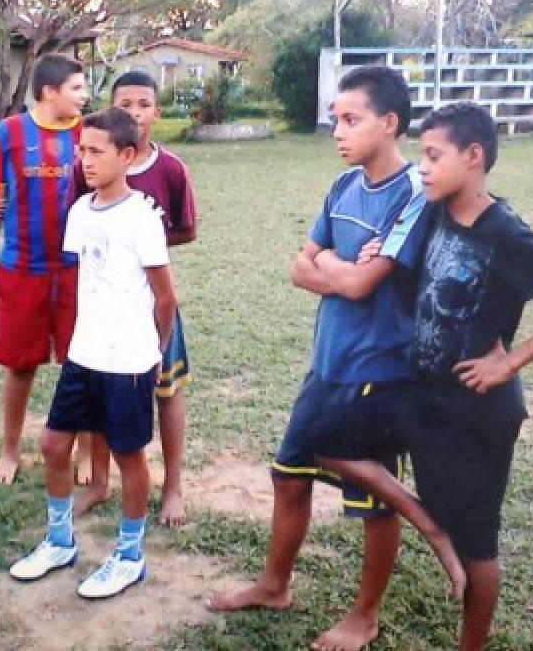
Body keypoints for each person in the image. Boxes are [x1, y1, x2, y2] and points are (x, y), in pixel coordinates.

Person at [208, 66, 436, 651]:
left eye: (351, 119)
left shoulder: (415, 195)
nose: (338, 130)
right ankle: (274, 584)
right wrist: (342, 267)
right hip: (327, 365)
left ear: (390, 124)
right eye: (336, 118)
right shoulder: (342, 187)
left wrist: (334, 271)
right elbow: (301, 266)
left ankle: (365, 615)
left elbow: (364, 285)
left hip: (379, 375)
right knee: (289, 476)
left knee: (375, 503)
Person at [394, 102, 533, 650]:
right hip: (426, 400)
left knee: (477, 542)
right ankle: (438, 540)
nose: (424, 167)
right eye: (422, 156)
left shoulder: (506, 233)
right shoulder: (438, 211)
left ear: (474, 156)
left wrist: (510, 361)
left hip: (478, 413)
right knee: (340, 442)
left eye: (434, 156)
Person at [9, 108, 177, 599]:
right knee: (54, 444)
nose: (84, 160)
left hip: (128, 362)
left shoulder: (143, 217)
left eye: (96, 151)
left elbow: (165, 297)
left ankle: (130, 554)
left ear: (126, 156)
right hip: (85, 355)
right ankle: (60, 541)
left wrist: (155, 351)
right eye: (82, 150)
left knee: (129, 457)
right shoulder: (80, 211)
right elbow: (85, 279)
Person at [71, 70, 198, 527]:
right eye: (125, 104)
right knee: (99, 390)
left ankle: (174, 488)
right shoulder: (89, 165)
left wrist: (145, 255)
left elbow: (185, 229)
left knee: (167, 389)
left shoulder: (171, 170)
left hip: (152, 303)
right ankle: (100, 483)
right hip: (105, 307)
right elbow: (81, 227)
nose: (135, 113)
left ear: (156, 112)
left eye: (144, 104)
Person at [0, 53, 90, 485]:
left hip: (77, 270)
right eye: (77, 87)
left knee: (80, 364)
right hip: (21, 268)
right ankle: (10, 450)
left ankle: (85, 453)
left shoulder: (87, 134)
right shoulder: (10, 132)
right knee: (19, 365)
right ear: (49, 91)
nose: (84, 95)